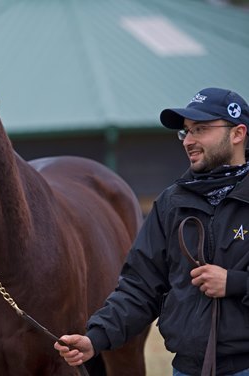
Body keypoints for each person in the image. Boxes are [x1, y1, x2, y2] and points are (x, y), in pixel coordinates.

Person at [54, 87, 249, 376]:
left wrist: (234, 283)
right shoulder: (172, 203)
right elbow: (139, 287)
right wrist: (94, 338)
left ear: (237, 133)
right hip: (186, 368)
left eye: (201, 129)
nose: (189, 141)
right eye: (186, 132)